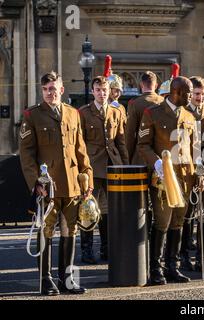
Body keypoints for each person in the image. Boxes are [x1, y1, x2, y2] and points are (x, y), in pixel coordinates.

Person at [19, 71, 92, 295]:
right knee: (47, 231)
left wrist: (87, 174)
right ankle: (46, 279)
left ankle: (67, 279)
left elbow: (80, 148)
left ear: (62, 89)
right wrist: (35, 183)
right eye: (46, 89)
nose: (50, 93)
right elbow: (27, 154)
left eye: (54, 88)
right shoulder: (32, 115)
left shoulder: (73, 114)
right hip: (47, 186)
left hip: (72, 184)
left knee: (70, 231)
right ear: (42, 91)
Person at [137, 76, 197, 285]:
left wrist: (199, 171)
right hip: (163, 177)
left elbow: (194, 147)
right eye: (189, 93)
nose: (191, 97)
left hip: (185, 177)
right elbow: (142, 145)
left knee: (177, 222)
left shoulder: (189, 116)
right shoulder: (152, 113)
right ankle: (156, 267)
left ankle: (173, 266)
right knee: (162, 221)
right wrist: (157, 164)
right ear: (177, 92)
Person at [79, 76, 129, 263]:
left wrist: (124, 165)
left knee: (110, 209)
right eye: (98, 90)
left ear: (110, 91)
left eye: (105, 90)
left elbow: (120, 142)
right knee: (88, 208)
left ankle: (107, 248)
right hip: (92, 166)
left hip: (112, 165)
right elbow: (80, 143)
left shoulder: (116, 112)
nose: (102, 93)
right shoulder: (84, 112)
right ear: (93, 92)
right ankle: (87, 250)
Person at [180, 76, 204, 272]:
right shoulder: (183, 112)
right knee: (187, 214)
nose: (200, 98)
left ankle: (203, 256)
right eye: (197, 94)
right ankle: (184, 255)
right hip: (188, 169)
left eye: (203, 94)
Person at [126, 71, 164, 165]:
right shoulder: (164, 102)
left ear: (141, 85)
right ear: (156, 86)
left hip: (141, 156)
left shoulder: (135, 103)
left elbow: (130, 134)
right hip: (162, 154)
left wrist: (128, 157)